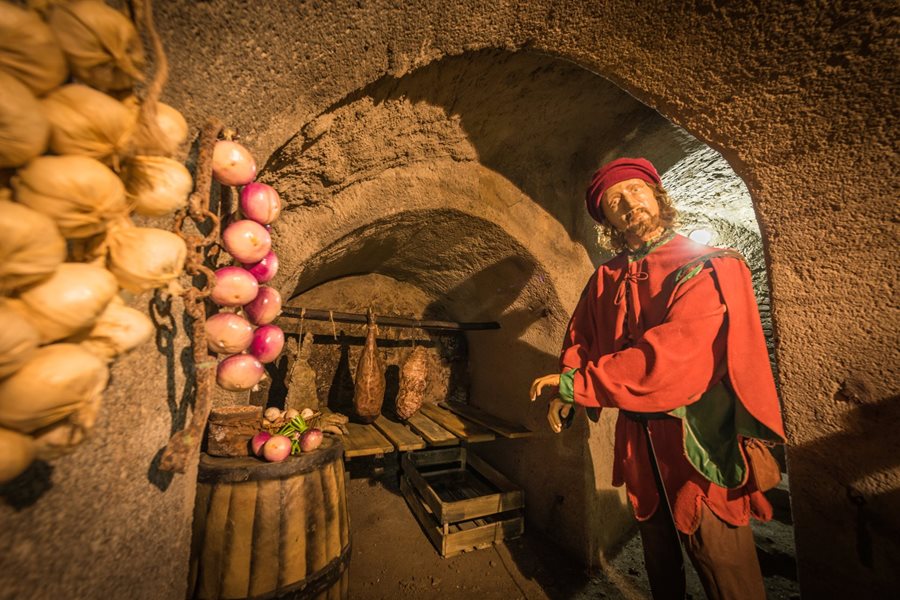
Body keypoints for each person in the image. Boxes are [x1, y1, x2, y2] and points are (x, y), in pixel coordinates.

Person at [530, 157, 785, 600]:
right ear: (607, 218)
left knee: (721, 559)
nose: (628, 203)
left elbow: (672, 355)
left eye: (636, 190)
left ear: (657, 194)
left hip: (697, 434)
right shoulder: (605, 277)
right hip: (638, 439)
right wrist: (567, 384)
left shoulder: (706, 265)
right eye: (614, 200)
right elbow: (582, 335)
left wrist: (576, 386)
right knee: (657, 552)